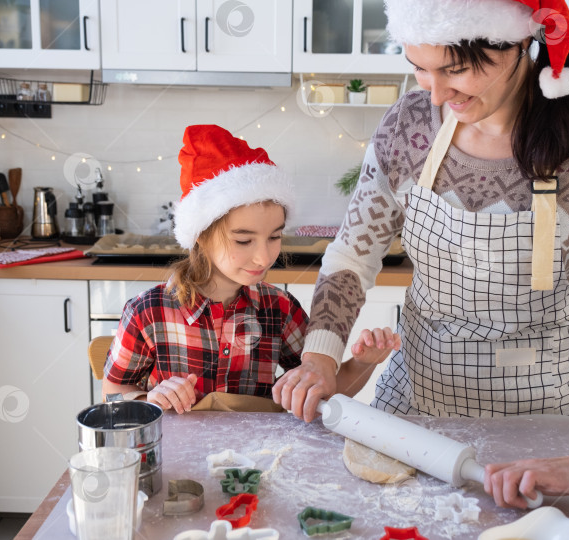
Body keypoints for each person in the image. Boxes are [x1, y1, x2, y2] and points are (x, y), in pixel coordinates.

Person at [273, 0, 569, 509]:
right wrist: (322, 356)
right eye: (418, 67)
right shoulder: (409, 125)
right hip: (416, 409)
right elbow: (351, 255)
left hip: (549, 418)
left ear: (522, 43)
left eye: (455, 70)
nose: (434, 93)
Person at [103, 124, 400, 413]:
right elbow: (113, 394)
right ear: (201, 237)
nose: (263, 257)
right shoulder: (148, 312)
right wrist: (149, 398)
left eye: (274, 237)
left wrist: (364, 363)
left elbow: (322, 392)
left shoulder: (279, 310)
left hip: (258, 462)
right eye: (244, 240)